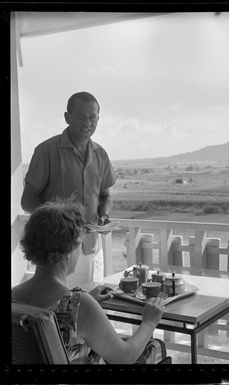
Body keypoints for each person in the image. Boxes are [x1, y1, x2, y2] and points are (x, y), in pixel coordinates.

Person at [12, 199, 166, 364]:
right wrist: (149, 322)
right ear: (70, 249)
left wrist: (87, 300)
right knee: (153, 347)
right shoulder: (80, 305)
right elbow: (124, 358)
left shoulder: (14, 295)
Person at [21, 91, 115, 290]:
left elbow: (105, 195)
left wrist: (104, 214)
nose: (87, 122)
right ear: (67, 117)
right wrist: (59, 223)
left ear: (98, 119)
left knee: (89, 302)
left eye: (92, 117)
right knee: (58, 310)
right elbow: (28, 201)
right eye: (81, 116)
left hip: (90, 247)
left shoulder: (101, 154)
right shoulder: (46, 151)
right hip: (56, 252)